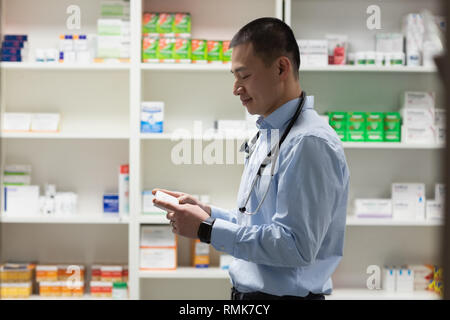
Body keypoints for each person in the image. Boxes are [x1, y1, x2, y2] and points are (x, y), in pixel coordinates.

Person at [153, 17, 349, 300]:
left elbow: (296, 247)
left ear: (281, 68)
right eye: (234, 76)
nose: (235, 88)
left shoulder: (309, 143)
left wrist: (207, 230)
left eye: (244, 76)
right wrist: (208, 213)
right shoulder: (271, 132)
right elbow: (261, 225)